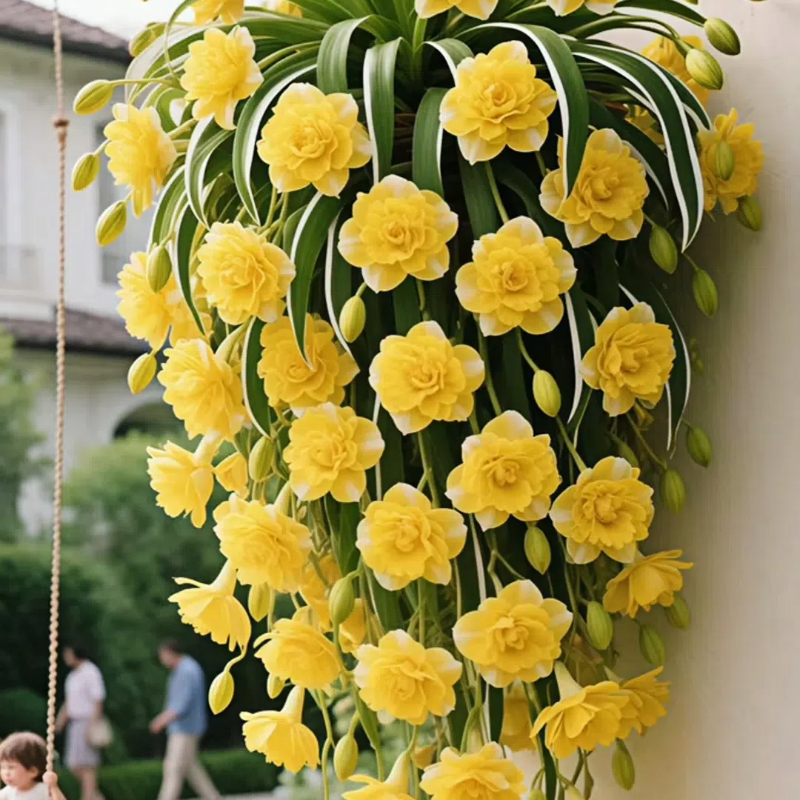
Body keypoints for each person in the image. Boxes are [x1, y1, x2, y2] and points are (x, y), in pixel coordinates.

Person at [150, 640, 221, 800]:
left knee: (173, 768)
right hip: (189, 727)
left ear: (169, 653)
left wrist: (162, 720)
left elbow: (181, 703)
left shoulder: (186, 671)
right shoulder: (186, 668)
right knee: (191, 768)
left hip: (185, 728)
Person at [55, 645, 106, 800]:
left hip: (87, 721)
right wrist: (60, 721)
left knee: (87, 766)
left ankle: (88, 797)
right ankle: (95, 796)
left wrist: (92, 726)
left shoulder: (91, 672)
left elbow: (98, 699)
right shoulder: (73, 676)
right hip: (75, 723)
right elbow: (70, 702)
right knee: (74, 765)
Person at [0, 731, 68, 800]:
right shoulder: (7, 792)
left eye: (11, 767)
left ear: (32, 771)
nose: (6, 773)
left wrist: (53, 786)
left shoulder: (43, 790)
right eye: (3, 767)